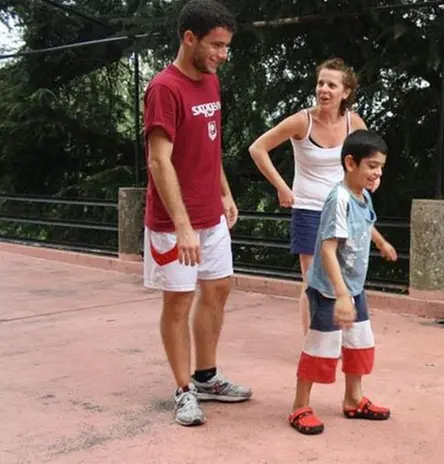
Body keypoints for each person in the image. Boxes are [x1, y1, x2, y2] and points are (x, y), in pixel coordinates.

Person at [142, 0, 251, 427]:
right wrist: (184, 226)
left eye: (226, 46)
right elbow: (158, 162)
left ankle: (207, 376)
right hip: (174, 225)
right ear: (190, 38)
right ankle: (184, 390)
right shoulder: (164, 88)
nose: (223, 54)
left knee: (219, 288)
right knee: (178, 302)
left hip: (211, 216)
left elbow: (210, 144)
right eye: (217, 45)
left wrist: (224, 192)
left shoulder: (211, 82)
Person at [248, 58, 396, 336]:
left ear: (346, 92)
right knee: (312, 281)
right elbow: (258, 148)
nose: (324, 90)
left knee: (344, 274)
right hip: (308, 209)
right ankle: (312, 341)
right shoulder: (301, 121)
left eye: (331, 84)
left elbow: (371, 158)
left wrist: (373, 180)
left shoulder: (355, 123)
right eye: (320, 83)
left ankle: (341, 336)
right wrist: (282, 187)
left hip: (344, 208)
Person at [287, 129, 393, 435]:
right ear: (350, 163)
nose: (378, 172)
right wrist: (341, 295)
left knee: (360, 343)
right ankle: (299, 406)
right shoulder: (339, 199)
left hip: (354, 288)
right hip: (330, 289)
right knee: (321, 347)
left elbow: (368, 224)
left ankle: (353, 399)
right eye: (372, 166)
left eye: (381, 166)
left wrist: (382, 243)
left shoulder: (364, 196)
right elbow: (328, 249)